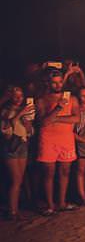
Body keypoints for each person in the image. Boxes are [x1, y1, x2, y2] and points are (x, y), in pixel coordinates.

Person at [36, 71, 81, 214]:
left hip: (66, 139)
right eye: (54, 82)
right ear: (48, 83)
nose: (58, 85)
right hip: (48, 139)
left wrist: (55, 118)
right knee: (49, 172)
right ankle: (50, 205)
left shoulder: (72, 98)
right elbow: (43, 122)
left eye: (60, 81)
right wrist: (59, 108)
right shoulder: (42, 100)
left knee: (65, 171)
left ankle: (61, 202)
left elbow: (76, 118)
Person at [1, 86, 35, 219]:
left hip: (22, 144)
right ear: (10, 97)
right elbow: (7, 129)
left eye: (21, 96)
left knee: (19, 179)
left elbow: (29, 131)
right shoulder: (6, 111)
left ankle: (14, 209)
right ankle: (12, 211)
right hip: (11, 146)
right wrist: (21, 113)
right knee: (15, 180)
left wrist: (28, 126)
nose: (18, 99)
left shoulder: (25, 110)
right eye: (16, 96)